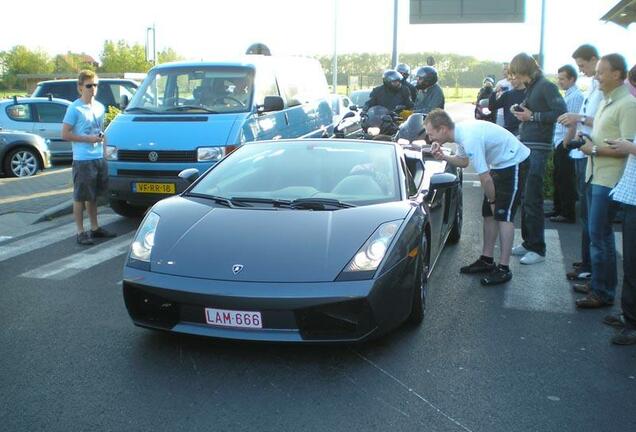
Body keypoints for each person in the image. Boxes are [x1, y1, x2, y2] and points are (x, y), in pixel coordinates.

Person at [425, 109, 530, 286]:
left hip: (514, 163)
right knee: (488, 214)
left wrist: (493, 200)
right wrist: (443, 156)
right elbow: (463, 161)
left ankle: (504, 269)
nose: (429, 139)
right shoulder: (459, 134)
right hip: (500, 164)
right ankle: (486, 260)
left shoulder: (469, 138)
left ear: (442, 129)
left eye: (430, 134)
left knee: (503, 216)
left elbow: (485, 177)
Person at [574, 53, 636, 309]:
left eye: (601, 72)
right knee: (594, 231)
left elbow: (628, 146)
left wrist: (594, 150)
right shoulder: (608, 100)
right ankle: (599, 283)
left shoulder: (628, 105)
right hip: (595, 172)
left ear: (617, 74)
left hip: (610, 178)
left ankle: (603, 291)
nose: (596, 76)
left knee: (601, 234)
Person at [508, 53, 567, 265]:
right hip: (528, 145)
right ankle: (528, 242)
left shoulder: (546, 86)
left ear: (526, 71)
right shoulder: (534, 86)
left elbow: (561, 113)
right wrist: (522, 112)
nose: (516, 79)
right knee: (526, 197)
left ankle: (538, 247)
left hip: (539, 147)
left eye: (517, 74)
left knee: (533, 197)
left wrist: (532, 116)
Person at [558, 44, 604, 285]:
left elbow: (603, 122)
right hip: (583, 153)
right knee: (587, 216)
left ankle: (592, 267)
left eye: (583, 66)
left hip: (593, 155)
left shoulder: (604, 91)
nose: (583, 71)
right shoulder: (594, 88)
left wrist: (579, 119)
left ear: (596, 60)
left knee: (593, 219)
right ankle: (588, 262)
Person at [61, 70, 116, 245]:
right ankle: (80, 231)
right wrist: (88, 139)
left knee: (93, 197)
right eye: (89, 86)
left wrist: (105, 150)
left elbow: (101, 131)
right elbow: (65, 134)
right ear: (80, 88)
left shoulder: (99, 107)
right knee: (80, 197)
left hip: (98, 157)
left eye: (95, 85)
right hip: (82, 159)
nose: (93, 89)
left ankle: (95, 228)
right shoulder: (74, 108)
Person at [604, 137, 636, 344]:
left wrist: (630, 147)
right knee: (630, 263)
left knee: (633, 264)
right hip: (632, 197)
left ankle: (632, 324)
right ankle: (629, 315)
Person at [548, 65, 584, 224]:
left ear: (572, 79)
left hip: (565, 142)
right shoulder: (568, 95)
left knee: (565, 179)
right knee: (558, 177)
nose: (559, 81)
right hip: (560, 141)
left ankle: (567, 212)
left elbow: (573, 123)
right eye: (559, 78)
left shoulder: (575, 96)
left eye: (562, 78)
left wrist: (565, 144)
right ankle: (558, 209)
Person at [494, 63, 512, 127]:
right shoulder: (500, 83)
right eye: (503, 69)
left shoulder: (515, 82)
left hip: (512, 113)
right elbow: (495, 99)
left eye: (506, 69)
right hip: (500, 113)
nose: (504, 71)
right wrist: (497, 93)